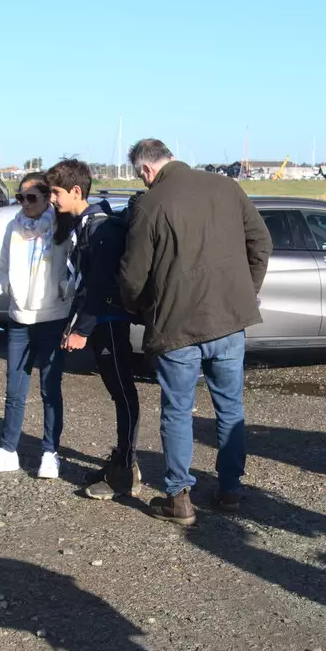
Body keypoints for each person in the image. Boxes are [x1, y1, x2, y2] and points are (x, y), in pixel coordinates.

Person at [119, 139, 272, 525]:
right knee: (230, 407)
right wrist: (244, 291)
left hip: (177, 325)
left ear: (146, 171)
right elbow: (262, 244)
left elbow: (132, 276)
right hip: (229, 320)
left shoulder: (150, 204)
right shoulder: (226, 187)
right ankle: (231, 489)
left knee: (177, 411)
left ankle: (178, 497)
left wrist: (140, 309)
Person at [0, 173, 73, 481]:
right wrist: (11, 289)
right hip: (19, 318)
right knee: (14, 389)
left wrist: (63, 289)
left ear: (46, 198)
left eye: (31, 197)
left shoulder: (62, 226)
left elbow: (75, 265)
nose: (25, 203)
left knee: (50, 388)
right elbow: (2, 265)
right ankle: (7, 451)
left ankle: (50, 452)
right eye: (21, 197)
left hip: (52, 318)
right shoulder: (13, 226)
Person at [53, 159, 141, 501]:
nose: (54, 201)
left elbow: (99, 285)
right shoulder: (86, 225)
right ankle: (121, 459)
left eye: (57, 193)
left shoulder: (101, 228)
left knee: (124, 394)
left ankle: (125, 469)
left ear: (76, 191)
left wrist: (82, 329)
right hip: (99, 320)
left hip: (110, 322)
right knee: (118, 393)